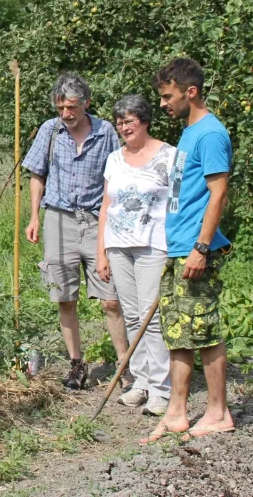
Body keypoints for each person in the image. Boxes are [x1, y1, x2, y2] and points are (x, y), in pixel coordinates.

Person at [144, 58, 234, 443]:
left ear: (190, 91)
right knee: (179, 332)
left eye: (168, 96)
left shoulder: (211, 134)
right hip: (179, 248)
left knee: (206, 330)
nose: (163, 104)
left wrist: (200, 247)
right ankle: (177, 412)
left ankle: (218, 412)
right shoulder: (189, 132)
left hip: (195, 250)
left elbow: (219, 193)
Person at [24, 73, 128, 390]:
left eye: (71, 107)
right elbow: (36, 174)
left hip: (97, 221)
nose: (66, 114)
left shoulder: (106, 132)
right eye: (60, 108)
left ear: (86, 104)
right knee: (64, 296)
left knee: (110, 298)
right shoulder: (50, 130)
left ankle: (126, 366)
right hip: (58, 218)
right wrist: (34, 217)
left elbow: (119, 176)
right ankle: (76, 364)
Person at [95, 95, 175, 416]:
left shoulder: (172, 156)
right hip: (118, 245)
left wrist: (177, 247)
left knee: (151, 318)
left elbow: (178, 205)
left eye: (129, 121)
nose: (124, 127)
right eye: (119, 123)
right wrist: (101, 251)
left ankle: (160, 389)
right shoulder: (114, 159)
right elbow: (106, 205)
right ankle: (140, 381)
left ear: (144, 121)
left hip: (154, 245)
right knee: (131, 316)